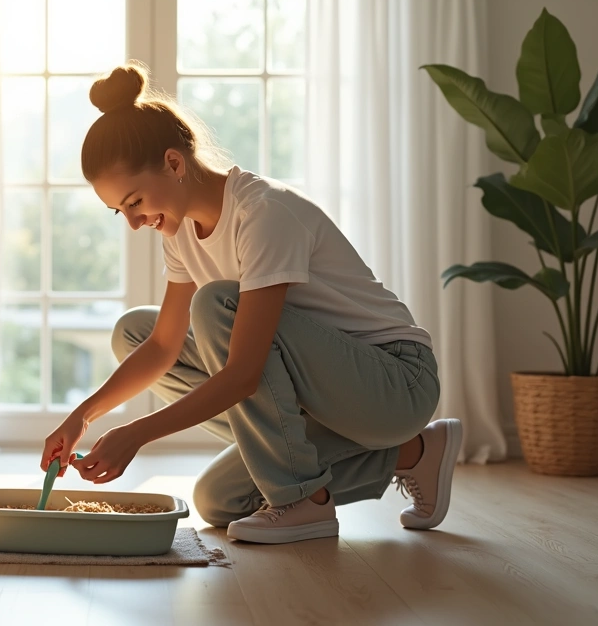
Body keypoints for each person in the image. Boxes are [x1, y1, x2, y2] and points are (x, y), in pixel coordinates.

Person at [40, 62, 462, 545]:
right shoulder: (179, 233)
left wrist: (134, 434)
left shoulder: (262, 213)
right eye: (121, 211)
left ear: (175, 164)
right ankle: (414, 453)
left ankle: (304, 502)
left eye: (135, 202)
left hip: (392, 382)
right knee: (216, 497)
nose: (134, 222)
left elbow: (242, 374)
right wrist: (83, 417)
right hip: (314, 391)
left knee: (218, 304)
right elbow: (161, 346)